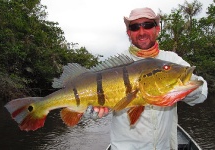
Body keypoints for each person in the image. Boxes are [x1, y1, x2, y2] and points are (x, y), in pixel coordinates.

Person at [84, 7, 208, 150]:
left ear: (157, 29)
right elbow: (88, 99)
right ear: (128, 32)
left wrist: (189, 90)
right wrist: (90, 112)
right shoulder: (117, 66)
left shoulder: (171, 60)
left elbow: (201, 92)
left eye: (147, 25)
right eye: (135, 27)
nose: (141, 32)